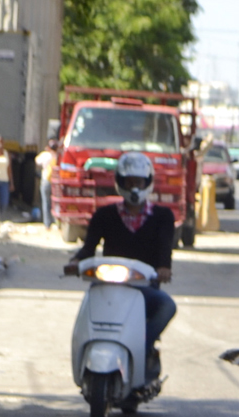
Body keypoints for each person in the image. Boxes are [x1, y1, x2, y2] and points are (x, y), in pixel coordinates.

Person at [64, 152, 176, 381]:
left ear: (148, 183)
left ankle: (143, 345)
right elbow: (88, 248)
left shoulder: (163, 217)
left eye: (139, 182)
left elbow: (165, 252)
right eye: (129, 182)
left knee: (167, 306)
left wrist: (164, 269)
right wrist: (76, 262)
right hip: (108, 284)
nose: (134, 187)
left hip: (144, 286)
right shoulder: (104, 215)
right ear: (120, 182)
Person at [34, 138, 58, 227]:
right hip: (56, 183)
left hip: (46, 181)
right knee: (55, 203)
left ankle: (47, 224)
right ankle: (56, 222)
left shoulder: (46, 155)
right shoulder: (58, 156)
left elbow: (37, 161)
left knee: (46, 202)